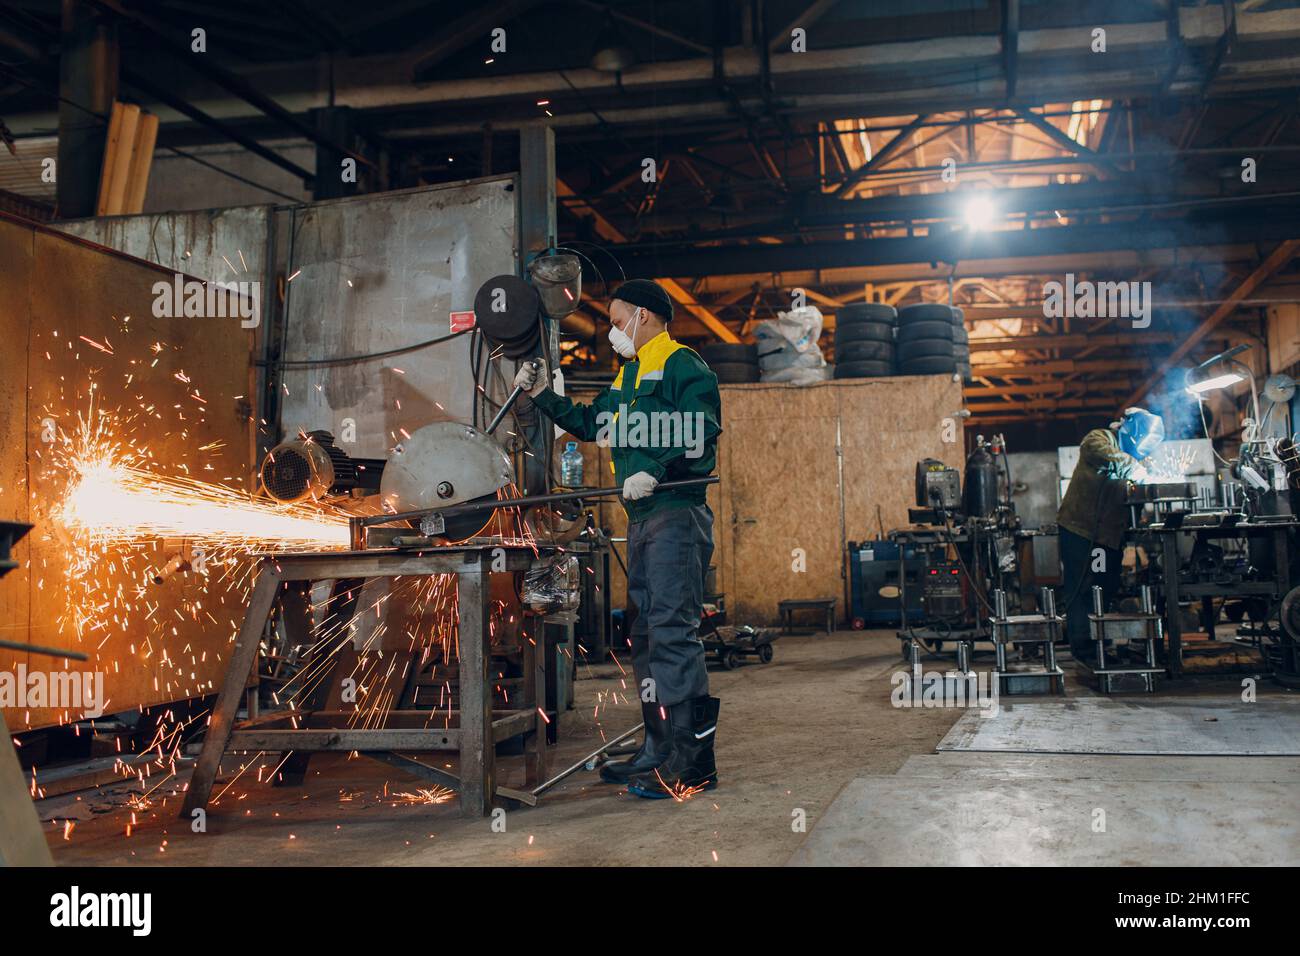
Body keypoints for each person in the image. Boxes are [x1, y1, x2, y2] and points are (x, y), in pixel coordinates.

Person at [512, 279, 723, 798]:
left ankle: (694, 763)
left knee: (673, 632)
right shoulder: (629, 375)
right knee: (646, 635)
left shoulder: (683, 365)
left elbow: (702, 430)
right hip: (643, 519)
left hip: (676, 513)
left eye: (615, 319)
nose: (611, 330)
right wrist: (541, 396)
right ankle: (658, 747)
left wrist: (656, 469)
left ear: (643, 316)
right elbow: (591, 423)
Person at [1056, 407, 1164, 661]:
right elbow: (1100, 453)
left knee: (1104, 585)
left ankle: (1099, 642)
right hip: (1081, 532)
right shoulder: (1099, 438)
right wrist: (1136, 470)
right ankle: (1085, 649)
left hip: (1106, 538)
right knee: (1084, 588)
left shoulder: (1133, 458)